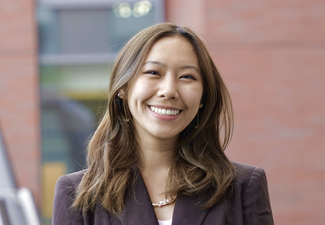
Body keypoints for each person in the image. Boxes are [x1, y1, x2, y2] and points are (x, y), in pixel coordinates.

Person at [52, 23, 274, 225]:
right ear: (124, 88)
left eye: (187, 77)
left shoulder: (243, 187)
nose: (168, 90)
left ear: (203, 97)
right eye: (153, 73)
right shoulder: (78, 194)